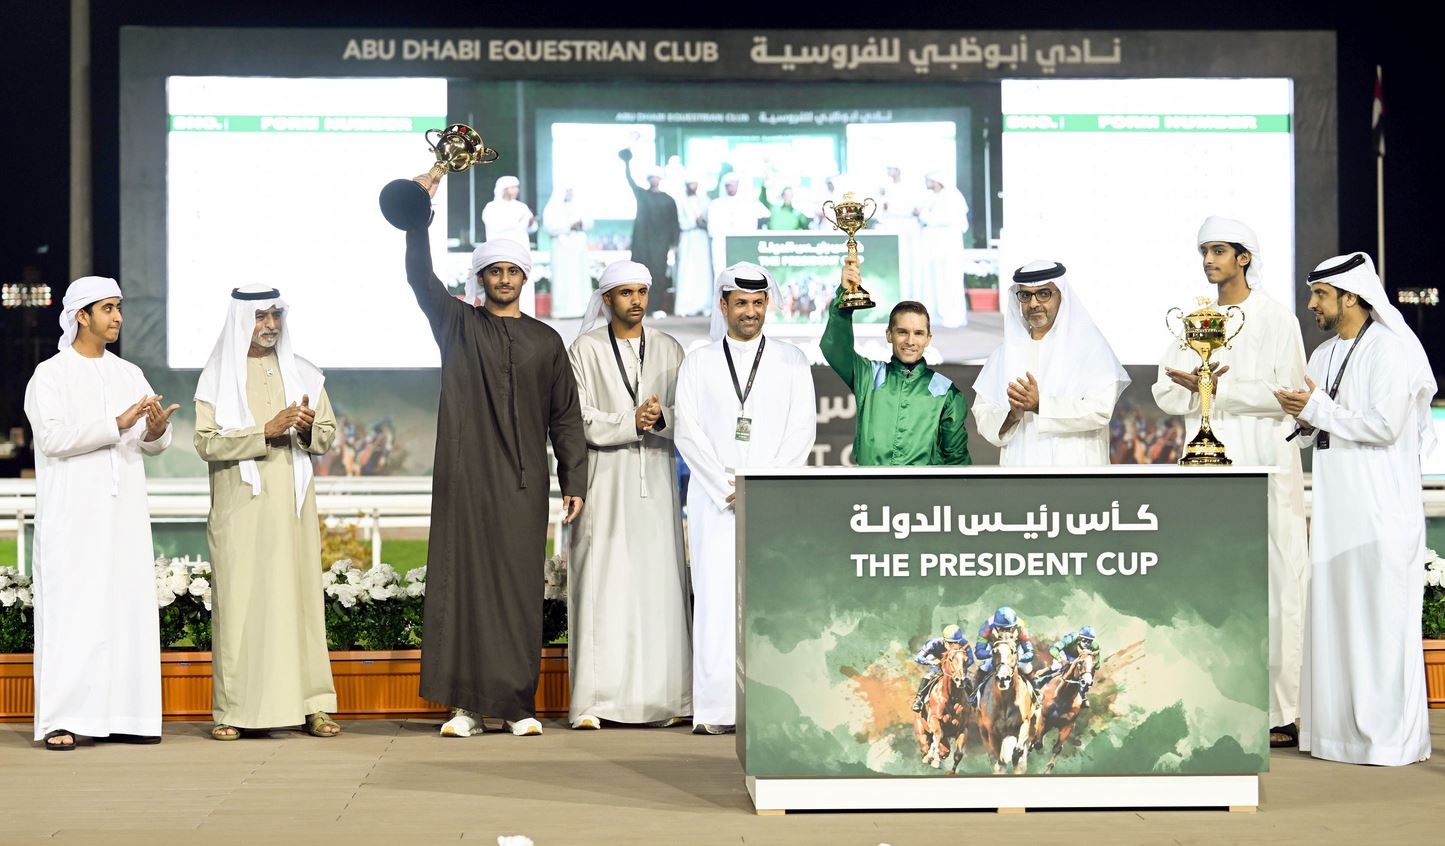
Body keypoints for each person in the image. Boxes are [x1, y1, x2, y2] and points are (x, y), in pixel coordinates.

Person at [401, 231, 588, 738]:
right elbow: (420, 277)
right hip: (464, 482)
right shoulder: (457, 324)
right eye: (494, 271)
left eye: (512, 271)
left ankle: (514, 705)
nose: (504, 280)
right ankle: (464, 707)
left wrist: (574, 477)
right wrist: (419, 217)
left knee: (517, 589)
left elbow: (565, 417)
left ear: (525, 277)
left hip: (523, 485)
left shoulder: (546, 340)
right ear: (480, 279)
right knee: (462, 582)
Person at [1275, 252, 1436, 766]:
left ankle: (1389, 742)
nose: (1311, 304)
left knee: (1382, 626)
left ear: (1350, 296)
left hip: (1381, 512)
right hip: (1336, 513)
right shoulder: (1322, 356)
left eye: (1320, 295)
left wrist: (1316, 411)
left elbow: (1385, 426)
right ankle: (1338, 737)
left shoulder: (1391, 351)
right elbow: (1322, 426)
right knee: (1338, 625)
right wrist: (1300, 419)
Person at [1153, 218, 1310, 747]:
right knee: (1207, 581)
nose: (1208, 261)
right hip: (1205, 463)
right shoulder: (1196, 318)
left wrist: (1219, 390)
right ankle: (1208, 704)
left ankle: (1281, 710)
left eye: (1218, 251)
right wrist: (1195, 387)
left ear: (1244, 257)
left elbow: (1288, 393)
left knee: (1277, 579)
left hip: (1264, 459)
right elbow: (1165, 393)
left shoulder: (1276, 318)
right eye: (1203, 252)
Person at [24, 276, 178, 750]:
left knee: (125, 609)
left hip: (124, 516)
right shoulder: (49, 374)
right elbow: (52, 440)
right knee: (75, 613)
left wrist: (153, 430)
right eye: (108, 308)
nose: (118, 317)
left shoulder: (129, 373)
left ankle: (127, 715)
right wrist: (118, 423)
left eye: (119, 307)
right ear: (80, 316)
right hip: (73, 519)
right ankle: (63, 719)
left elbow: (153, 445)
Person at [674, 262, 817, 734]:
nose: (750, 312)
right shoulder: (698, 360)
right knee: (715, 600)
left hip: (771, 500)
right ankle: (715, 709)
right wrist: (724, 486)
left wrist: (761, 485)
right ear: (723, 305)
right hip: (714, 502)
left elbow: (802, 431)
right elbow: (687, 432)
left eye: (758, 303)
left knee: (770, 602)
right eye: (741, 304)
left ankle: (769, 708)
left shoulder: (792, 359)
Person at [194, 286, 339, 741]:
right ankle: (233, 711)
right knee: (241, 607)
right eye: (260, 316)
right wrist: (265, 431)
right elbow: (206, 442)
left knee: (300, 605)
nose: (270, 324)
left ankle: (313, 705)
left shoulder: (305, 373)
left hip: (292, 509)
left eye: (275, 314)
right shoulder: (216, 376)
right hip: (240, 509)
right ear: (242, 320)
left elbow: (328, 433)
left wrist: (307, 427)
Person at [565, 261, 691, 730]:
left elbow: (689, 416)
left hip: (656, 482)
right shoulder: (585, 349)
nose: (636, 300)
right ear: (606, 300)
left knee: (658, 589)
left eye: (642, 291)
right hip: (604, 482)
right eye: (625, 293)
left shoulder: (670, 348)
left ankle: (668, 701)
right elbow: (574, 418)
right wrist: (627, 422)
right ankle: (595, 703)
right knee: (605, 587)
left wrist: (659, 420)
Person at [973, 261, 1130, 466]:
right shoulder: (1004, 354)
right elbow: (982, 412)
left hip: (1077, 473)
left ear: (1061, 296)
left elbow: (1100, 410)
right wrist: (1011, 416)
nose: (1034, 303)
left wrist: (1040, 405)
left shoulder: (1090, 348)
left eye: (1044, 293)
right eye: (1026, 295)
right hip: (1021, 473)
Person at [822, 257, 970, 465]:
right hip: (868, 491)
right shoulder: (869, 375)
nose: (910, 341)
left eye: (918, 333)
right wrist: (844, 297)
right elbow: (834, 348)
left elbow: (957, 461)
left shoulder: (946, 392)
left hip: (923, 495)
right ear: (889, 334)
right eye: (902, 332)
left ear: (928, 339)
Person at [618, 150, 680, 313]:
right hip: (642, 243)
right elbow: (629, 180)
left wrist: (675, 243)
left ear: (660, 179)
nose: (654, 180)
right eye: (652, 177)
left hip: (660, 245)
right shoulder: (642, 195)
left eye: (656, 177)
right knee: (638, 276)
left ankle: (656, 308)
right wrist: (627, 163)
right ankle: (638, 307)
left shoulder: (668, 200)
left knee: (658, 275)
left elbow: (674, 223)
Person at [914, 172, 970, 328]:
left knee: (948, 279)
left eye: (928, 179)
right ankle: (934, 315)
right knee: (932, 280)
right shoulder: (931, 196)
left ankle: (952, 316)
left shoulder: (952, 197)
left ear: (937, 181)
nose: (926, 182)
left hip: (947, 246)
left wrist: (923, 214)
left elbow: (945, 219)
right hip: (931, 246)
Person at [481, 176, 539, 314]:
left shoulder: (521, 206)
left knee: (522, 282)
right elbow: (498, 226)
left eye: (517, 187)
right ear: (504, 189)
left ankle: (525, 314)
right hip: (500, 253)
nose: (516, 190)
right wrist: (519, 221)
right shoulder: (491, 207)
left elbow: (531, 227)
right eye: (513, 187)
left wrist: (529, 221)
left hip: (521, 253)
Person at [706, 173, 769, 290]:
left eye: (734, 185)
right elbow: (712, 229)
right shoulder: (716, 205)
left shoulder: (748, 204)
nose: (731, 188)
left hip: (740, 246)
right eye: (729, 185)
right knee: (721, 272)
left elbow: (764, 215)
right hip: (721, 245)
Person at [541, 184, 592, 319]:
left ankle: (581, 310)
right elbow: (549, 227)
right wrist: (569, 225)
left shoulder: (578, 205)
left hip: (577, 245)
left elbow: (589, 222)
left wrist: (581, 223)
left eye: (571, 191)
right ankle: (561, 311)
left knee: (579, 277)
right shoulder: (552, 208)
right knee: (562, 278)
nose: (569, 193)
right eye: (567, 191)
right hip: (561, 247)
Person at [968, 607, 1038, 699]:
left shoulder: (1020, 626)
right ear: (995, 625)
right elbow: (979, 652)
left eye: (1009, 629)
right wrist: (992, 653)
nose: (1005, 633)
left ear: (1014, 625)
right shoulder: (987, 627)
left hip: (1015, 648)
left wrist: (1019, 657)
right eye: (1001, 628)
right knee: (985, 666)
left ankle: (1036, 693)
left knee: (1026, 667)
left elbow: (1029, 652)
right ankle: (974, 695)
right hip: (994, 648)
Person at [673, 173, 713, 317]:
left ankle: (705, 305)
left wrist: (704, 223)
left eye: (694, 183)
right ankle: (684, 306)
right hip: (687, 238)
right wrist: (693, 222)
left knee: (703, 271)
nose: (692, 186)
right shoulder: (680, 201)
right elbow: (679, 222)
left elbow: (710, 220)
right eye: (690, 184)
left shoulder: (706, 201)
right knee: (687, 270)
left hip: (702, 239)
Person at [911, 624, 973, 712]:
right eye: (951, 643)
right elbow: (918, 658)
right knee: (930, 675)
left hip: (955, 667)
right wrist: (931, 662)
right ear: (944, 640)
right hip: (938, 664)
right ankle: (919, 699)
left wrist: (961, 666)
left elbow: (971, 660)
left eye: (957, 642)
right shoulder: (932, 643)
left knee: (967, 677)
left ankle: (972, 699)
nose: (954, 646)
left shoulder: (964, 643)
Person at [1042, 626, 1101, 706]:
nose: (1087, 643)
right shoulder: (1071, 638)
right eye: (1084, 640)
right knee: (1056, 667)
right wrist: (1060, 660)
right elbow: (1053, 649)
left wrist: (1091, 658)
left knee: (1088, 671)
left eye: (1089, 641)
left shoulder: (1095, 646)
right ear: (1080, 638)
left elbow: (1097, 665)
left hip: (1081, 661)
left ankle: (1082, 694)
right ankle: (1041, 681)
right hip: (1065, 656)